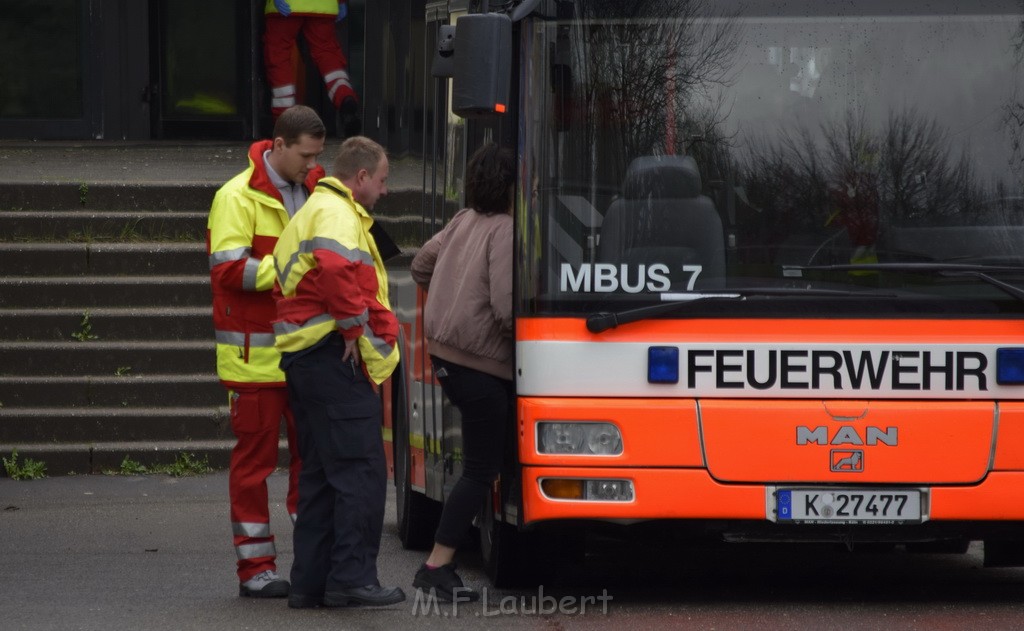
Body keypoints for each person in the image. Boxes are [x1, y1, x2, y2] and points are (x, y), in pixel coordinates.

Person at [271, 136, 405, 609]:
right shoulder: (335, 213)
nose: (385, 191)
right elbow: (333, 270)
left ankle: (311, 583)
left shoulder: (313, 210)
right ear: (362, 177)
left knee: (324, 475)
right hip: (331, 357)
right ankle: (352, 578)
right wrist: (352, 327)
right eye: (383, 180)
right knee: (361, 472)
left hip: (308, 359)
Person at [207, 104, 327, 598]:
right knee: (254, 467)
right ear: (278, 145)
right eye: (305, 155)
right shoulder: (235, 197)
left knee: (311, 463)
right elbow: (228, 271)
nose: (312, 164)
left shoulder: (318, 189)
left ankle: (312, 565)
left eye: (318, 155)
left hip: (305, 350)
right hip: (255, 359)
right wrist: (296, 270)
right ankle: (255, 571)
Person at [409, 143, 516, 602]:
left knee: (484, 462)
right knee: (480, 469)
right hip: (482, 364)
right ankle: (437, 564)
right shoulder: (506, 230)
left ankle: (441, 562)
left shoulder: (461, 221)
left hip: (446, 357)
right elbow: (507, 308)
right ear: (512, 186)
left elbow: (419, 265)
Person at [263, 0, 361, 137]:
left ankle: (284, 119)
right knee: (328, 53)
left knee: (278, 56)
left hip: (287, 5)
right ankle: (345, 97)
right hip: (323, 5)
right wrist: (341, 2)